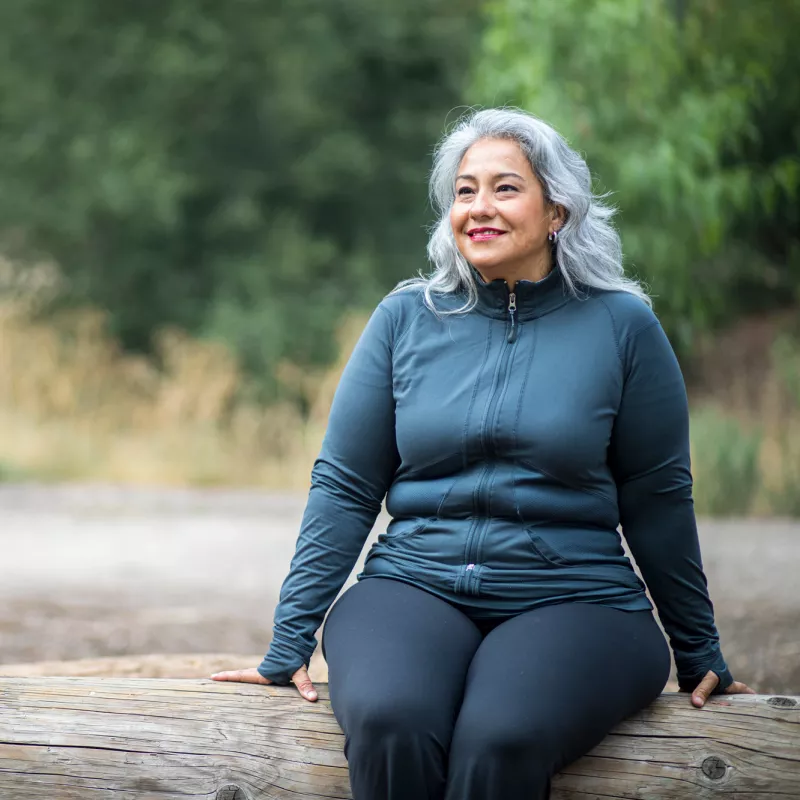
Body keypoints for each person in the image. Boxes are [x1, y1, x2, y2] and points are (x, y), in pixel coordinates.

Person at [211, 107, 755, 799]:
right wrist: (289, 641)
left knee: (499, 739)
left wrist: (698, 647)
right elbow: (346, 486)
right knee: (391, 719)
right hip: (414, 584)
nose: (479, 208)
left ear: (557, 209)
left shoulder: (623, 327)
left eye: (505, 188)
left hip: (575, 598)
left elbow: (657, 499)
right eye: (465, 191)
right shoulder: (406, 318)